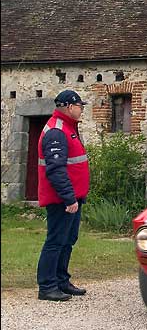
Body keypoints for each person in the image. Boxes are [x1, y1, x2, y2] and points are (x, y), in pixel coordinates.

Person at [36, 90, 90, 301]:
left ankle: (61, 280)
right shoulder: (57, 132)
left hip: (73, 197)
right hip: (62, 199)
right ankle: (47, 285)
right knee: (56, 240)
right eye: (80, 106)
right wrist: (68, 198)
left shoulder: (68, 128)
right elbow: (56, 170)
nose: (82, 109)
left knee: (68, 239)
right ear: (69, 106)